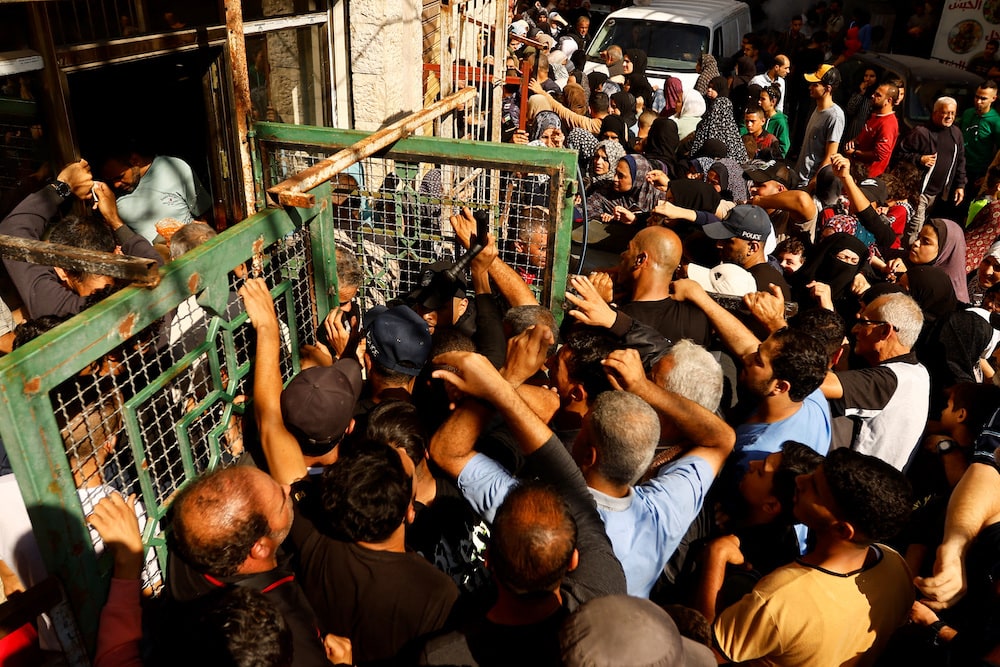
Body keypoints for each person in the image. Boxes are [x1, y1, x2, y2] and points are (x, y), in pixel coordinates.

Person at [240, 277, 459, 664]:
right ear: (410, 511)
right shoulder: (438, 593)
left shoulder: (315, 535)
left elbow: (271, 423)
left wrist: (268, 330)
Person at [714, 449, 915, 665]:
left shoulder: (780, 597)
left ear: (842, 530)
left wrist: (715, 557)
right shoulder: (896, 567)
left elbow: (705, 654)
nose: (799, 480)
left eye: (815, 489)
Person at [0, 160, 163, 319]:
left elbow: (12, 230)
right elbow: (153, 262)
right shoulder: (155, 290)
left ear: (61, 271)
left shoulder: (61, 311)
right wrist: (114, 219)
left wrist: (63, 185)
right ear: (115, 254)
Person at [821, 293, 930, 471]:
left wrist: (777, 327)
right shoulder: (918, 372)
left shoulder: (889, 379)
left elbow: (816, 382)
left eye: (863, 323)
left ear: (885, 331)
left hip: (850, 488)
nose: (855, 329)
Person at [897, 97, 967, 246]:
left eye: (952, 113)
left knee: (925, 227)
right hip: (919, 191)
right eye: (945, 113)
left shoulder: (956, 133)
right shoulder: (921, 132)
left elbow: (960, 160)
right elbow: (900, 154)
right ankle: (905, 255)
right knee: (915, 227)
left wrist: (960, 185)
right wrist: (919, 159)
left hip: (939, 193)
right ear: (935, 113)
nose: (949, 117)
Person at [101, 149, 211, 243]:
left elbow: (204, 215)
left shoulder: (173, 169)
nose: (116, 184)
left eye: (120, 177)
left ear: (135, 161)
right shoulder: (112, 194)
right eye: (111, 180)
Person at [700, 204, 792, 299]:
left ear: (752, 248)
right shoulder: (769, 276)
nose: (718, 245)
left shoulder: (750, 286)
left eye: (727, 241)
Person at [793, 64, 845, 188]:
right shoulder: (816, 107)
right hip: (798, 176)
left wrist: (814, 181)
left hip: (808, 181)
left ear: (827, 88)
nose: (810, 87)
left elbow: (830, 156)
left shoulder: (835, 116)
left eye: (815, 85)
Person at [843, 82, 899, 178]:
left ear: (888, 101)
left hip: (867, 175)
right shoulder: (875, 115)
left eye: (878, 95)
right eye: (875, 93)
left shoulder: (888, 124)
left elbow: (879, 154)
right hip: (856, 170)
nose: (873, 96)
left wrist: (854, 153)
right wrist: (855, 141)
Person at [960, 81, 1000, 194]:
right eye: (977, 97)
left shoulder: (996, 121)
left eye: (983, 99)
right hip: (959, 168)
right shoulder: (967, 113)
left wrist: (987, 177)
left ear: (993, 98)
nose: (978, 101)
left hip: (978, 173)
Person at [758, 85, 790, 158]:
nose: (759, 102)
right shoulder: (760, 117)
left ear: (773, 101)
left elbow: (784, 147)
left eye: (763, 99)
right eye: (759, 98)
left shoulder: (780, 122)